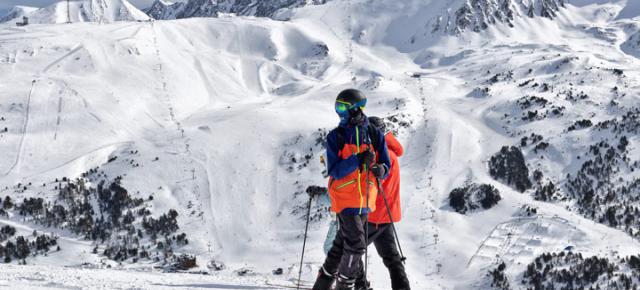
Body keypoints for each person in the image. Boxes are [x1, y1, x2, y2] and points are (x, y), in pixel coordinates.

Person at [313, 89, 391, 290]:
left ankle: (321, 285)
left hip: (366, 199)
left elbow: (386, 165)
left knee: (340, 247)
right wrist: (357, 160)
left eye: (342, 107)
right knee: (356, 246)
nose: (339, 112)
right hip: (344, 199)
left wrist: (380, 169)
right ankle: (345, 286)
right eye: (337, 107)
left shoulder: (374, 134)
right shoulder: (335, 137)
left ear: (356, 108)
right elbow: (335, 171)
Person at [365, 116, 410, 290]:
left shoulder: (381, 156)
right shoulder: (390, 152)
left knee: (349, 251)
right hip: (387, 215)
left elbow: (370, 185)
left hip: (373, 215)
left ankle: (361, 286)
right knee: (392, 258)